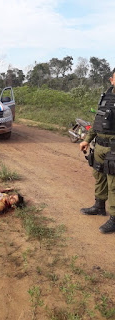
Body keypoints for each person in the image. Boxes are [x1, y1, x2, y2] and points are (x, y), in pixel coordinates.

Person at [80, 68, 115, 234]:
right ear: (112, 80)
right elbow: (97, 122)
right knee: (99, 176)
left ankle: (114, 219)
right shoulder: (105, 98)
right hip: (99, 145)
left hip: (114, 148)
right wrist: (87, 140)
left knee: (113, 183)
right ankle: (99, 206)